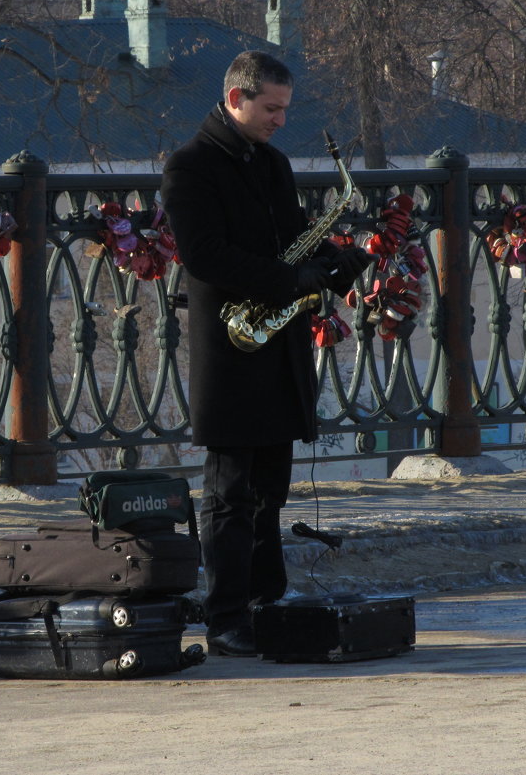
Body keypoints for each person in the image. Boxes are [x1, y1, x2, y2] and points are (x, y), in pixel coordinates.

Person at [160, 50, 373, 656]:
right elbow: (204, 257)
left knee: (271, 487)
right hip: (230, 342)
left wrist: (334, 266)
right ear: (236, 99)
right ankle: (226, 613)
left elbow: (292, 239)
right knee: (230, 491)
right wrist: (291, 282)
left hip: (276, 340)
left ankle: (265, 600)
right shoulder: (190, 166)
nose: (282, 119)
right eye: (271, 108)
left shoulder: (273, 163)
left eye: (285, 108)